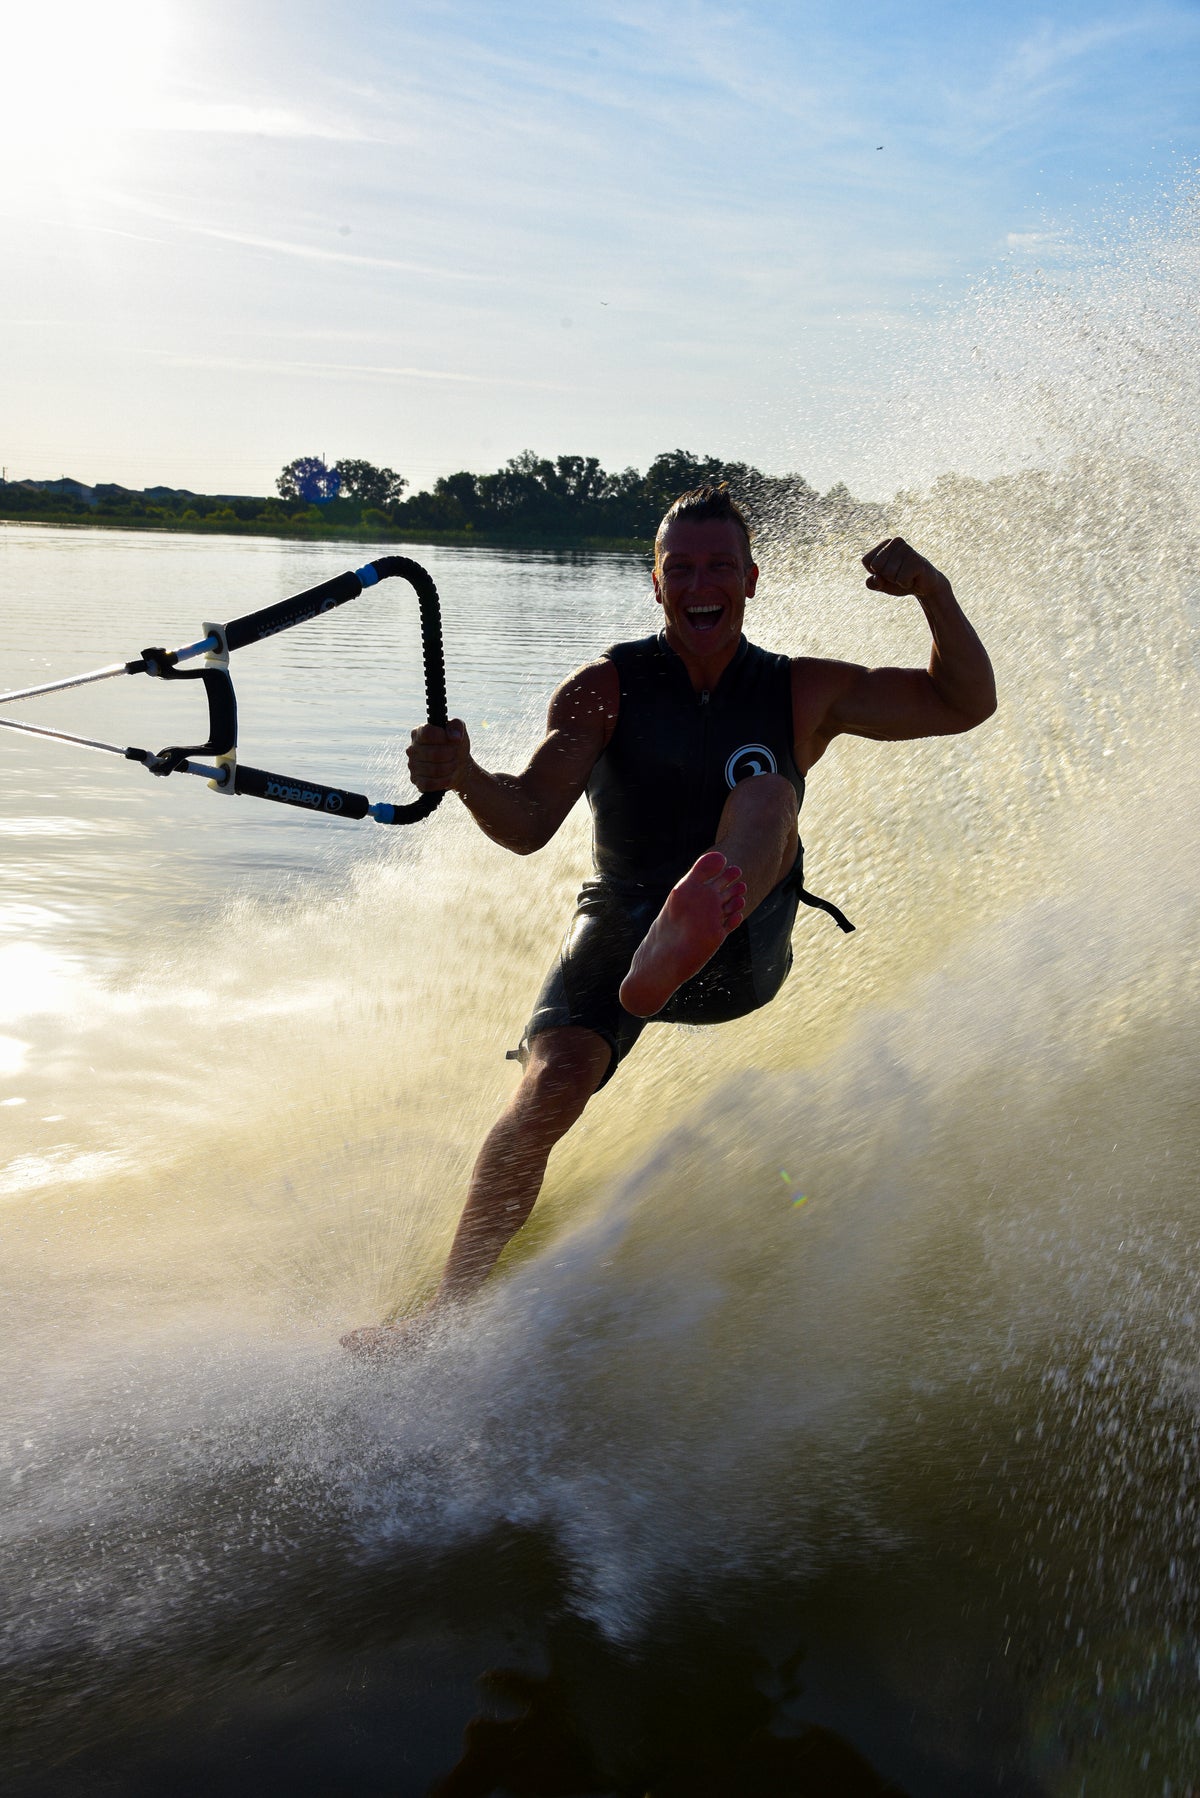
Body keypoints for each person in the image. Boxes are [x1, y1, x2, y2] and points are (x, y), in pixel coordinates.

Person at [343, 485, 995, 1353]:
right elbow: (529, 821)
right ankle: (440, 1320)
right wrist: (462, 776)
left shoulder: (802, 690)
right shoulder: (602, 691)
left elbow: (963, 703)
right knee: (549, 1087)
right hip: (622, 925)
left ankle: (698, 912)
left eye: (719, 566)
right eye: (679, 568)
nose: (699, 584)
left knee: (766, 793)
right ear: (654, 584)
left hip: (741, 943)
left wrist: (932, 593)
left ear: (751, 580)